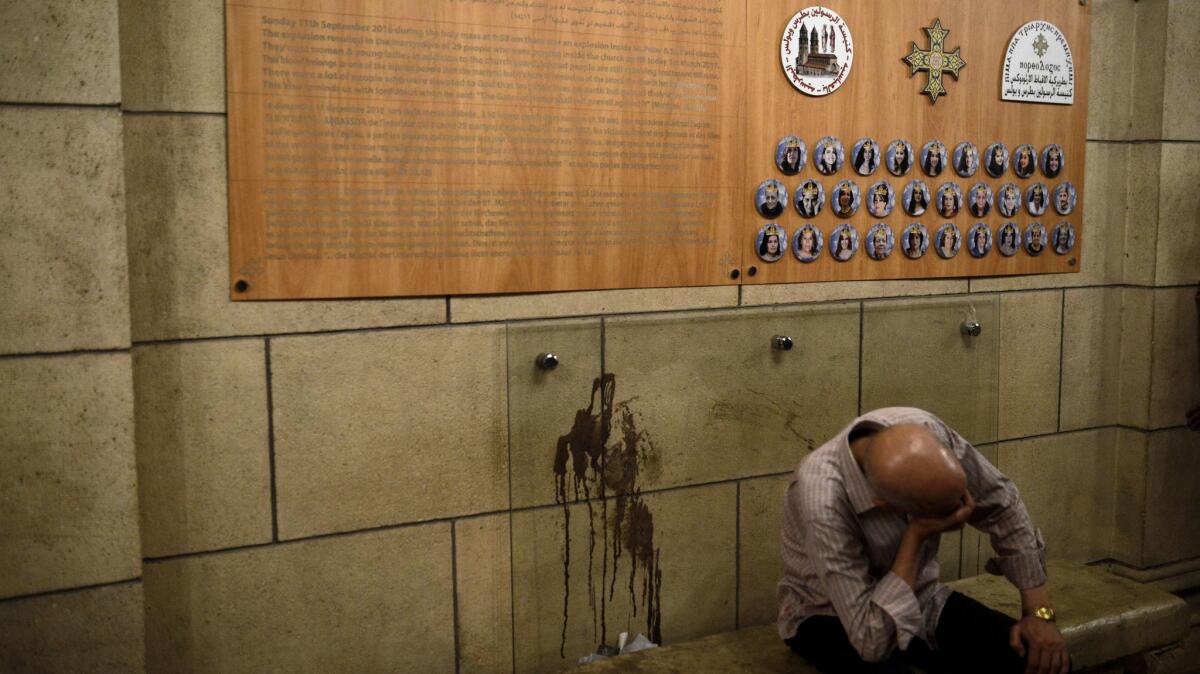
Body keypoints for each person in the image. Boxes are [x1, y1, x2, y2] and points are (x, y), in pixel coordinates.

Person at [778, 408, 1070, 674]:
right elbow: (871, 641)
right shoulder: (823, 501)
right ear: (888, 507)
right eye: (947, 512)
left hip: (923, 598)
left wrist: (1039, 614)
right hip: (829, 615)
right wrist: (915, 537)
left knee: (1048, 664)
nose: (962, 511)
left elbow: (1000, 503)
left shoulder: (925, 428)